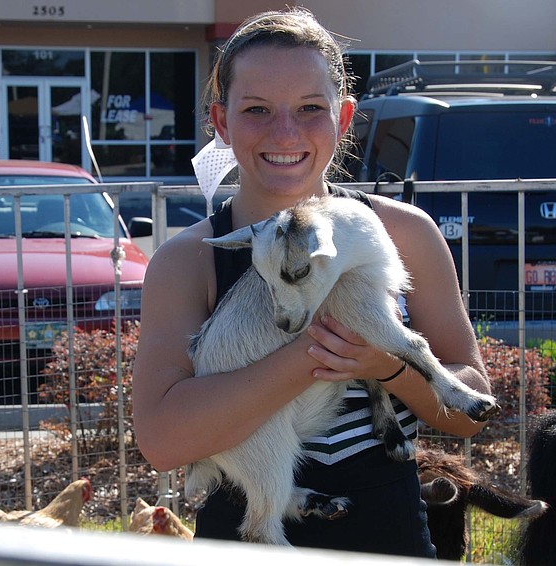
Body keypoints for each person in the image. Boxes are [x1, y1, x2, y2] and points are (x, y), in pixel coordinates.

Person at [133, 7, 492, 557]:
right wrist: (313, 352)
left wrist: (387, 365)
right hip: (247, 541)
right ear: (222, 122)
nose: (285, 132)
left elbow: (471, 411)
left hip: (386, 537)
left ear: (343, 118)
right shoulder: (190, 259)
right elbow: (162, 440)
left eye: (309, 108)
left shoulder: (404, 232)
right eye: (257, 110)